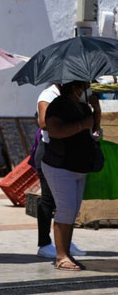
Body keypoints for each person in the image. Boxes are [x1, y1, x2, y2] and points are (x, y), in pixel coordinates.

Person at [41, 81, 101, 271]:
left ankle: (67, 252)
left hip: (79, 166)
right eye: (84, 87)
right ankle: (61, 256)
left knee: (72, 212)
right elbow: (54, 130)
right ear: (75, 88)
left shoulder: (83, 106)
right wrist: (82, 124)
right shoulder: (58, 106)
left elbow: (93, 128)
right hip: (60, 165)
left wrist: (96, 108)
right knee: (65, 210)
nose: (87, 90)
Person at [35, 84, 86, 259]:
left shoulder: (79, 100)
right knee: (49, 200)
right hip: (51, 151)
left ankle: (64, 242)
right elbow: (43, 122)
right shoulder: (49, 95)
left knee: (68, 204)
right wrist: (76, 125)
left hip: (69, 153)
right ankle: (45, 243)